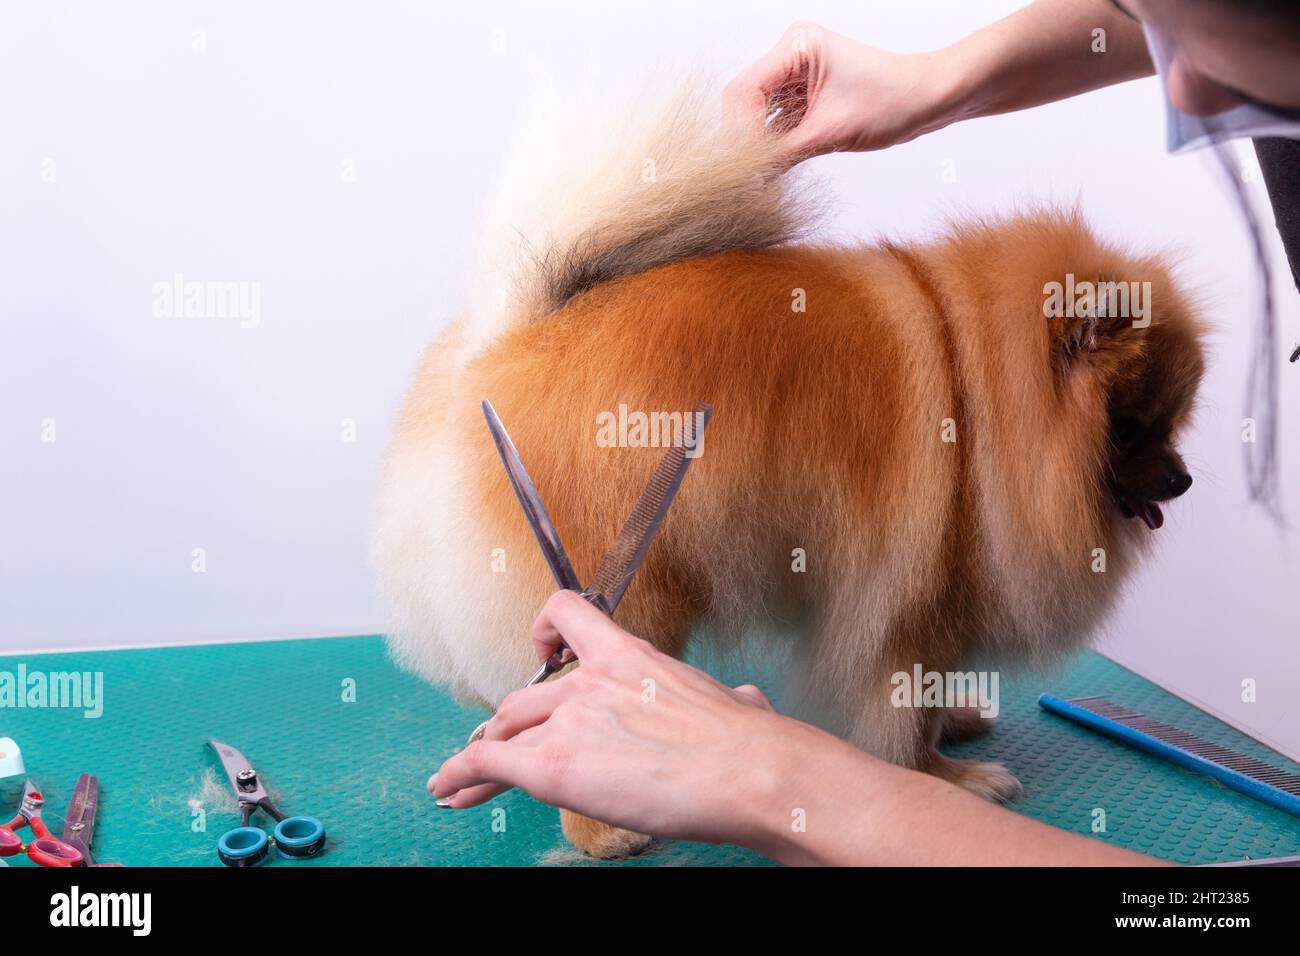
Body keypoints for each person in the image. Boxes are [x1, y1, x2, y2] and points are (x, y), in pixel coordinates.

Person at [430, 0, 1300, 864]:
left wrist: (801, 777)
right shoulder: (991, 384)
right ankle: (590, 792)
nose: (1174, 79)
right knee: (633, 611)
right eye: (1136, 425)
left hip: (520, 380)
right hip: (557, 421)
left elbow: (1190, 914)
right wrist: (933, 81)